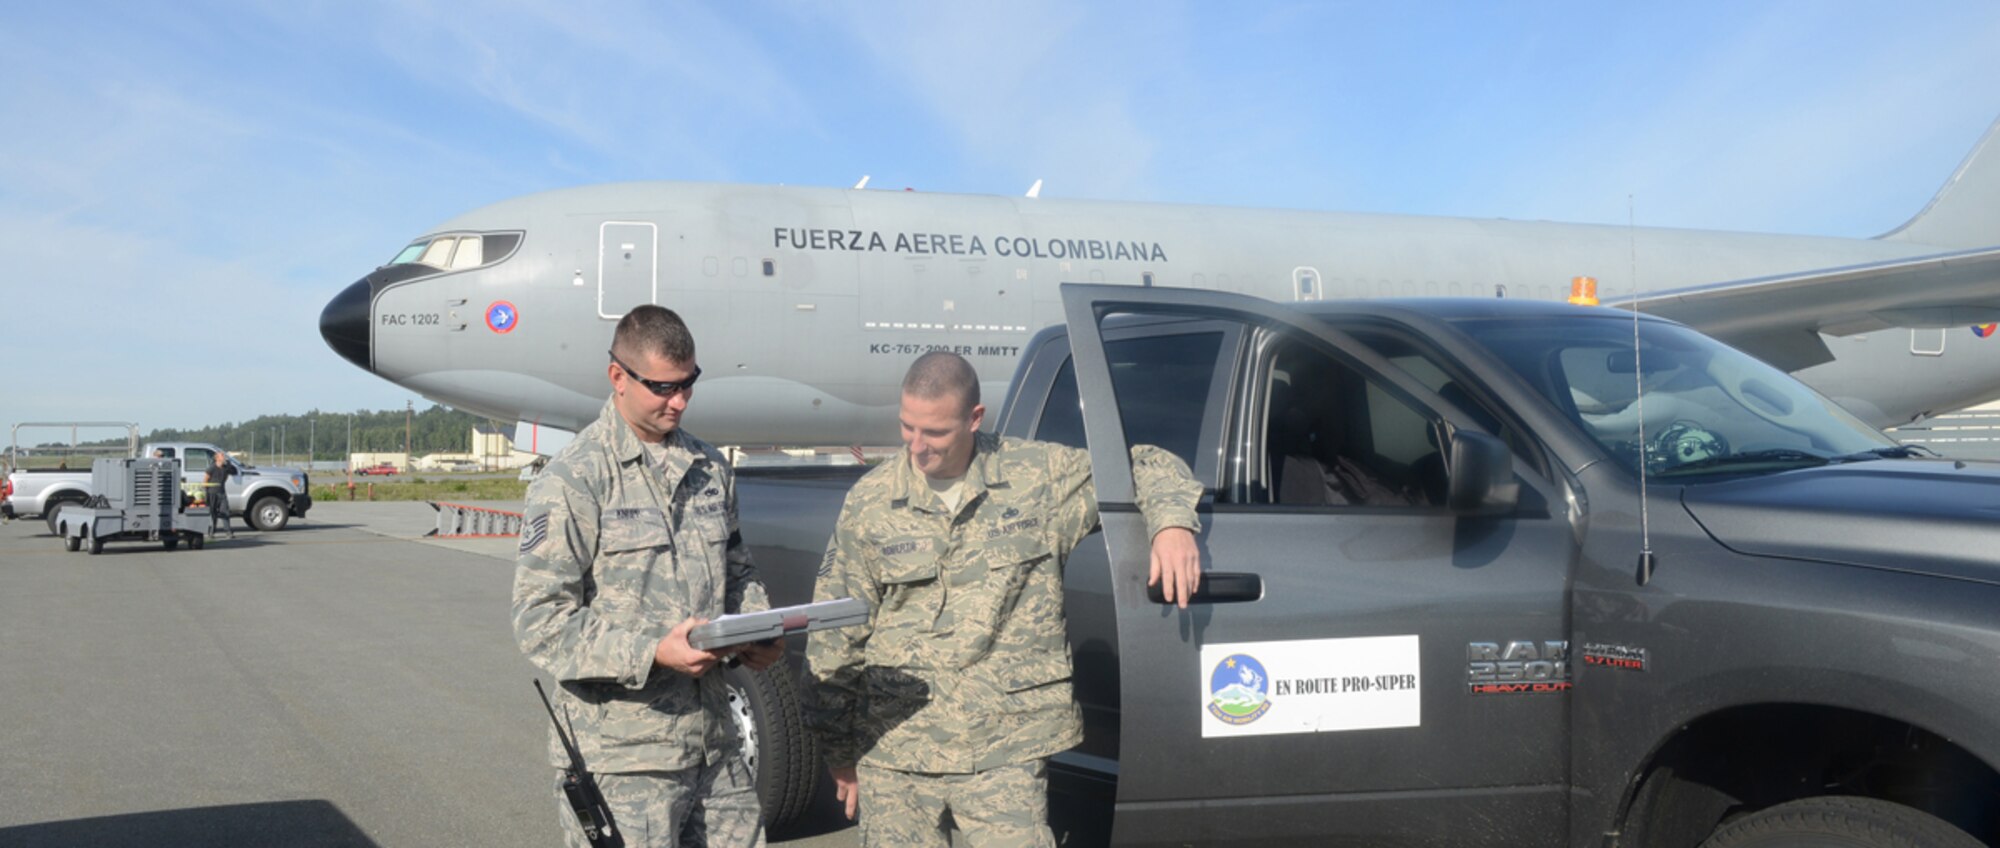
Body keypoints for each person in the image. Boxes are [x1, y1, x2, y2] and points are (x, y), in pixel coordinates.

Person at [804, 351, 1204, 847]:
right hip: (896, 750)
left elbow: (1147, 462)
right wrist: (839, 753)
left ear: (975, 418)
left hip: (1005, 749)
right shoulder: (871, 500)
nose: (917, 447)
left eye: (935, 433)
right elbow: (836, 636)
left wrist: (1171, 525)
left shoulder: (1037, 477)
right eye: (908, 427)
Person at [512, 305, 782, 848]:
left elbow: (739, 570)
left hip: (715, 745)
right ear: (619, 377)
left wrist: (758, 627)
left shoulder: (709, 469)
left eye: (688, 385)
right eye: (662, 387)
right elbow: (539, 621)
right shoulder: (574, 479)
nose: (678, 401)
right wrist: (653, 651)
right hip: (625, 762)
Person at [205, 451, 237, 538]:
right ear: (217, 458)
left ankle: (228, 532)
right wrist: (207, 492)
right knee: (212, 513)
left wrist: (229, 462)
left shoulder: (226, 468)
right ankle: (211, 532)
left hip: (222, 493)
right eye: (222, 455)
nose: (224, 457)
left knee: (225, 511)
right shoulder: (211, 468)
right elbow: (205, 481)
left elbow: (233, 472)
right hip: (212, 493)